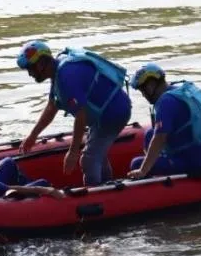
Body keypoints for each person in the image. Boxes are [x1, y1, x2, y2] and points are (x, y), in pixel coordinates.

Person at [16, 40, 131, 186]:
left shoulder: (66, 76)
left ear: (43, 62)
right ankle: (107, 184)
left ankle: (97, 195)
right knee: (98, 155)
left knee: (88, 160)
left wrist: (73, 151)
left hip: (113, 113)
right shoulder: (57, 72)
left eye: (31, 68)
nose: (30, 73)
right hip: (103, 114)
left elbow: (81, 116)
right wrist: (33, 135)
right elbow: (52, 106)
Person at [126, 63, 201, 179]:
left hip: (193, 162)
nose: (143, 95)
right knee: (149, 134)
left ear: (151, 85)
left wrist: (143, 170)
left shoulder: (165, 102)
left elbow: (160, 139)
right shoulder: (177, 91)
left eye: (143, 90)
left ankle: (157, 183)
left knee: (136, 163)